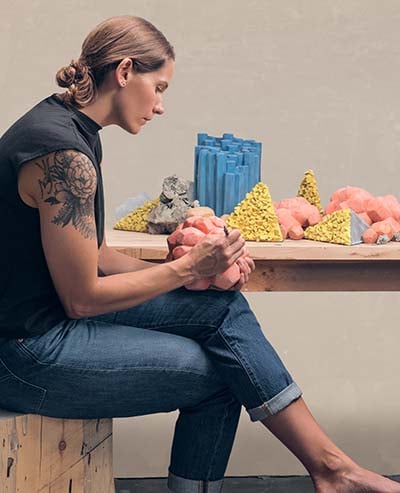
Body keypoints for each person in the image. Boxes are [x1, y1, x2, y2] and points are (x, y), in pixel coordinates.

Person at [0, 15, 398, 493]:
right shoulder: (64, 157)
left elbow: (98, 255)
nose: (161, 106)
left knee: (221, 308)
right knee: (226, 372)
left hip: (47, 328)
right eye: (160, 86)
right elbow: (82, 298)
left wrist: (189, 274)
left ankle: (332, 469)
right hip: (26, 353)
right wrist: (189, 266)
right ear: (125, 71)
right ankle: (331, 470)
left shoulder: (71, 131)